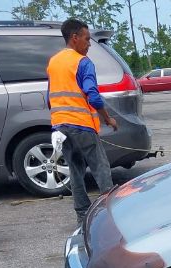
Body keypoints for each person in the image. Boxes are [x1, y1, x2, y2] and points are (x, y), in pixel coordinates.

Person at [47, 18, 118, 224]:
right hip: (82, 125)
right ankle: (109, 215)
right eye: (87, 39)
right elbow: (93, 96)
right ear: (74, 38)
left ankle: (82, 216)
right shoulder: (83, 62)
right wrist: (108, 119)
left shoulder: (54, 62)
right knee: (101, 169)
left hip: (60, 127)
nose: (89, 44)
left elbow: (49, 97)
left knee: (75, 171)